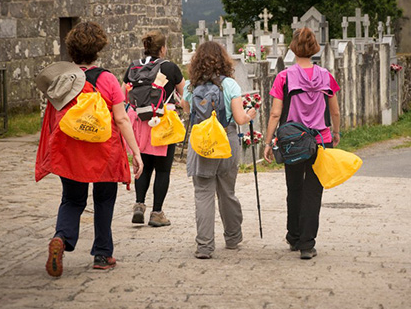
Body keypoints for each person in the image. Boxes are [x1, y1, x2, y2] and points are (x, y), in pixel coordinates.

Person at [35, 21, 143, 277]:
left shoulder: (62, 79)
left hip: (70, 148)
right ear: (98, 50)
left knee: (72, 199)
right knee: (104, 199)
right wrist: (135, 152)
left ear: (71, 51)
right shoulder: (107, 79)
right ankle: (102, 254)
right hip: (104, 149)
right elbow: (121, 119)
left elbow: (52, 117)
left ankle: (61, 238)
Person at [263, 28, 341, 260]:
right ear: (315, 47)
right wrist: (336, 133)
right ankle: (308, 244)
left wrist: (268, 142)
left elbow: (276, 114)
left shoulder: (284, 77)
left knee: (294, 187)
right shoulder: (326, 76)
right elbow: (334, 111)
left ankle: (294, 236)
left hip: (292, 142)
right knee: (313, 191)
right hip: (320, 140)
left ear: (293, 48)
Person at [179, 41, 257, 259]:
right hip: (227, 140)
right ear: (223, 60)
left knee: (203, 194)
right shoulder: (230, 84)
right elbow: (240, 118)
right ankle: (232, 238)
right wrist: (251, 114)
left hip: (202, 142)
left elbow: (187, 110)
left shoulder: (190, 86)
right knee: (227, 192)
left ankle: (204, 246)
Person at [124, 30, 185, 227]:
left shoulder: (133, 67)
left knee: (143, 165)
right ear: (162, 49)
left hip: (139, 122)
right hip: (162, 122)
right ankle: (157, 213)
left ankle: (139, 205)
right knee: (163, 170)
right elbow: (184, 95)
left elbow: (125, 94)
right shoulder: (170, 67)